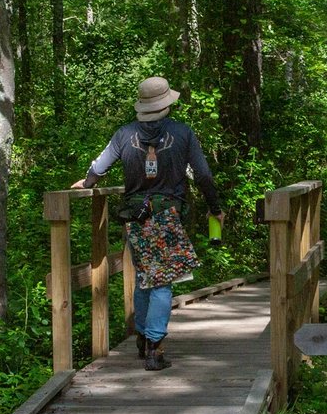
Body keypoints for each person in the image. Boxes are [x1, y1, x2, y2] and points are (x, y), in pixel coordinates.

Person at [72, 76, 223, 371]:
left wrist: (88, 182)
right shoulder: (182, 133)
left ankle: (142, 337)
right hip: (166, 216)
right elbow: (203, 174)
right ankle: (155, 347)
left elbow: (99, 166)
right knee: (162, 283)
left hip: (135, 218)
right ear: (166, 103)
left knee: (145, 277)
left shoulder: (124, 134)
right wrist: (215, 208)